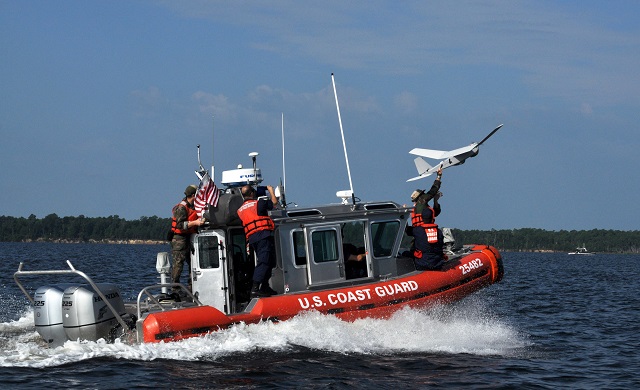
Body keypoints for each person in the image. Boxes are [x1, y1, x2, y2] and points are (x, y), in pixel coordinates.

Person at [237, 184, 278, 298]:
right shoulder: (259, 203)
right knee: (264, 261)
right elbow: (274, 203)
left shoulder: (240, 210)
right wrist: (270, 191)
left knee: (270, 260)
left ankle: (264, 286)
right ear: (252, 193)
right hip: (262, 235)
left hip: (252, 238)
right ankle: (255, 288)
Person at [170, 185, 206, 296]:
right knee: (178, 264)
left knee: (193, 263)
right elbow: (180, 225)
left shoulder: (194, 207)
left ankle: (192, 286)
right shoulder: (182, 208)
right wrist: (195, 223)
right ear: (193, 195)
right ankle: (175, 289)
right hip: (179, 239)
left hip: (190, 237)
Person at [411, 168, 447, 270]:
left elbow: (435, 213)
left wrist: (436, 201)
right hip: (425, 233)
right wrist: (439, 176)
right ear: (421, 196)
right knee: (433, 250)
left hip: (419, 235)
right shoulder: (422, 201)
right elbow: (433, 190)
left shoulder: (417, 207)